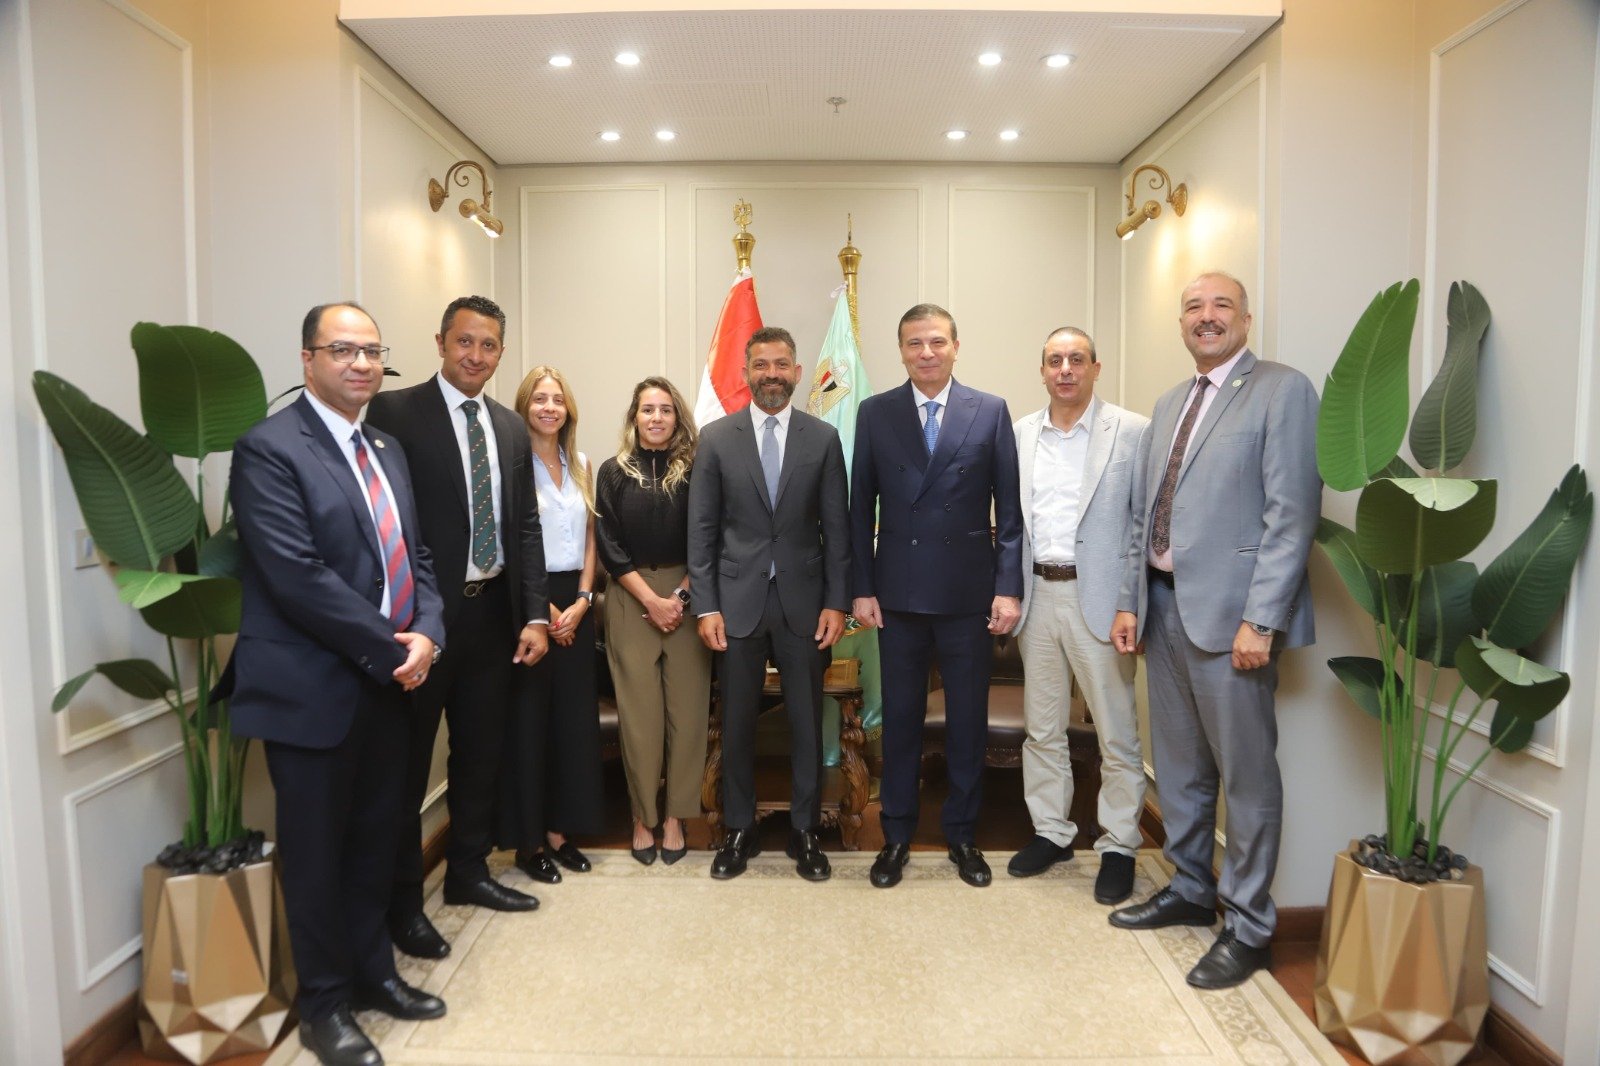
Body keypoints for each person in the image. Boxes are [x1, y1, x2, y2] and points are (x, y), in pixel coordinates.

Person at [229, 302, 447, 1066]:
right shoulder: (268, 449)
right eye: (343, 350)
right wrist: (393, 647)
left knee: (377, 841)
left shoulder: (385, 447)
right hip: (312, 691)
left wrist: (430, 632)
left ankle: (373, 975)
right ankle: (322, 1008)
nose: (361, 364)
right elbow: (297, 577)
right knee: (318, 856)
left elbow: (416, 555)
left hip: (390, 685)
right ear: (308, 359)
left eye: (372, 351)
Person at [1108, 272, 1320, 990]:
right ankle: (1192, 888)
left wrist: (1262, 619)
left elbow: (1292, 515)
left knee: (1247, 778)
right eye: (1194, 307)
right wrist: (1132, 601)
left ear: (1246, 320)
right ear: (1181, 324)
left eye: (1221, 305)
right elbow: (1145, 514)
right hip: (1163, 610)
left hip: (1234, 622)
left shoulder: (1282, 391)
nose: (1207, 317)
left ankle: (1250, 926)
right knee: (1180, 769)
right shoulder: (1171, 402)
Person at [365, 295, 548, 961]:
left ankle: (468, 871)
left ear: (501, 353)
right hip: (421, 623)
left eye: (489, 345)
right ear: (441, 342)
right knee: (407, 764)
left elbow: (524, 526)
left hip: (493, 616)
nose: (476, 355)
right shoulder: (392, 413)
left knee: (480, 753)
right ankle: (402, 904)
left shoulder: (509, 426)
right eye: (465, 341)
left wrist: (534, 613)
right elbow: (382, 519)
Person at [849, 303, 1024, 889]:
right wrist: (861, 589)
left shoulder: (990, 410)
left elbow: (1010, 513)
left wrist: (1007, 589)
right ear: (901, 351)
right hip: (896, 595)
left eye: (937, 342)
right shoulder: (876, 412)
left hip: (968, 595)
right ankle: (896, 836)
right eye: (914, 343)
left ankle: (963, 836)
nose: (926, 353)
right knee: (900, 720)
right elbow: (858, 509)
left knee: (967, 722)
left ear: (955, 347)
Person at [688, 327, 851, 881]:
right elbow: (702, 530)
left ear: (798, 373)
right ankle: (740, 827)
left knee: (806, 723)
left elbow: (837, 529)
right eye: (761, 365)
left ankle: (805, 830)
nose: (772, 374)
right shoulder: (716, 438)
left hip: (805, 604)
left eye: (782, 364)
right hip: (735, 605)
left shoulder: (823, 438)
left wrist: (837, 602)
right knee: (736, 724)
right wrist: (706, 606)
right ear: (746, 373)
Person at [1008, 327, 1149, 906]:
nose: (1065, 369)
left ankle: (1119, 844)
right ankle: (1052, 832)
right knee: (1042, 728)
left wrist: (1130, 603)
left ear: (1095, 367)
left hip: (1103, 603)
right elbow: (1011, 522)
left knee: (1116, 732)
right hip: (1038, 595)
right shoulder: (1020, 433)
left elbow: (1141, 526)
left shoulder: (1133, 431)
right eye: (1054, 360)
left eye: (1076, 359)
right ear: (1042, 371)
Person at [595, 377, 712, 865]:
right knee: (640, 718)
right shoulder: (612, 471)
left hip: (689, 594)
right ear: (634, 417)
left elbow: (708, 536)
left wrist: (679, 596)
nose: (657, 417)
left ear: (677, 417)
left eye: (665, 409)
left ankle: (676, 818)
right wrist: (651, 598)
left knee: (688, 715)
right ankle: (642, 817)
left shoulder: (698, 470)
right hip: (630, 596)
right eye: (648, 409)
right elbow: (608, 544)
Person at [495, 366, 605, 883]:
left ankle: (563, 834)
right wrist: (546, 609)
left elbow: (590, 538)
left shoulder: (581, 463)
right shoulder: (511, 465)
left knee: (572, 725)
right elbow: (513, 540)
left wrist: (583, 599)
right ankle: (530, 842)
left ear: (568, 409)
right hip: (529, 605)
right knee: (530, 725)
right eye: (539, 399)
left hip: (576, 603)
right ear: (524, 406)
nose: (549, 408)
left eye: (557, 399)